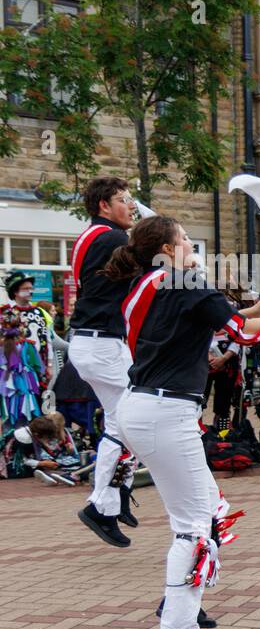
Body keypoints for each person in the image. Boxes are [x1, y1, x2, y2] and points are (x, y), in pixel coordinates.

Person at [108, 214, 260, 629]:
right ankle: (177, 625)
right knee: (195, 522)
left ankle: (180, 604)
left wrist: (257, 310)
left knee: (206, 513)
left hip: (143, 406)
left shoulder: (145, 286)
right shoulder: (188, 282)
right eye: (185, 240)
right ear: (167, 249)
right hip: (166, 410)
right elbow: (243, 335)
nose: (193, 248)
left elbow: (211, 324)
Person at [66, 176, 139, 547]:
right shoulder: (112, 238)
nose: (131, 205)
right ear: (103, 206)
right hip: (103, 345)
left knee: (122, 420)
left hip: (96, 342)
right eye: (124, 199)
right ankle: (104, 502)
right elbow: (155, 273)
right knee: (133, 418)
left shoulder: (93, 235)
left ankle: (115, 496)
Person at [25, 412, 83, 485]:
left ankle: (60, 476)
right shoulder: (41, 434)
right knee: (48, 464)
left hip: (61, 459)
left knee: (77, 461)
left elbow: (73, 452)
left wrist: (70, 449)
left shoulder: (64, 434)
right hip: (49, 460)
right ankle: (59, 476)